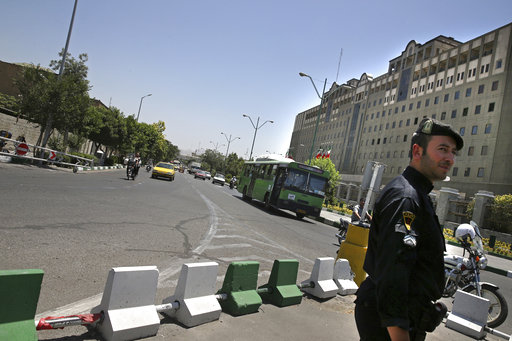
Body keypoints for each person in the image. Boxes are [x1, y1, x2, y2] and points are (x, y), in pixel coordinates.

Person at [354, 118, 463, 341]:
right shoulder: (406, 197)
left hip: (403, 317)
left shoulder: (417, 194)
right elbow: (393, 274)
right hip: (389, 324)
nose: (450, 158)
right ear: (417, 150)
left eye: (453, 152)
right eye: (442, 149)